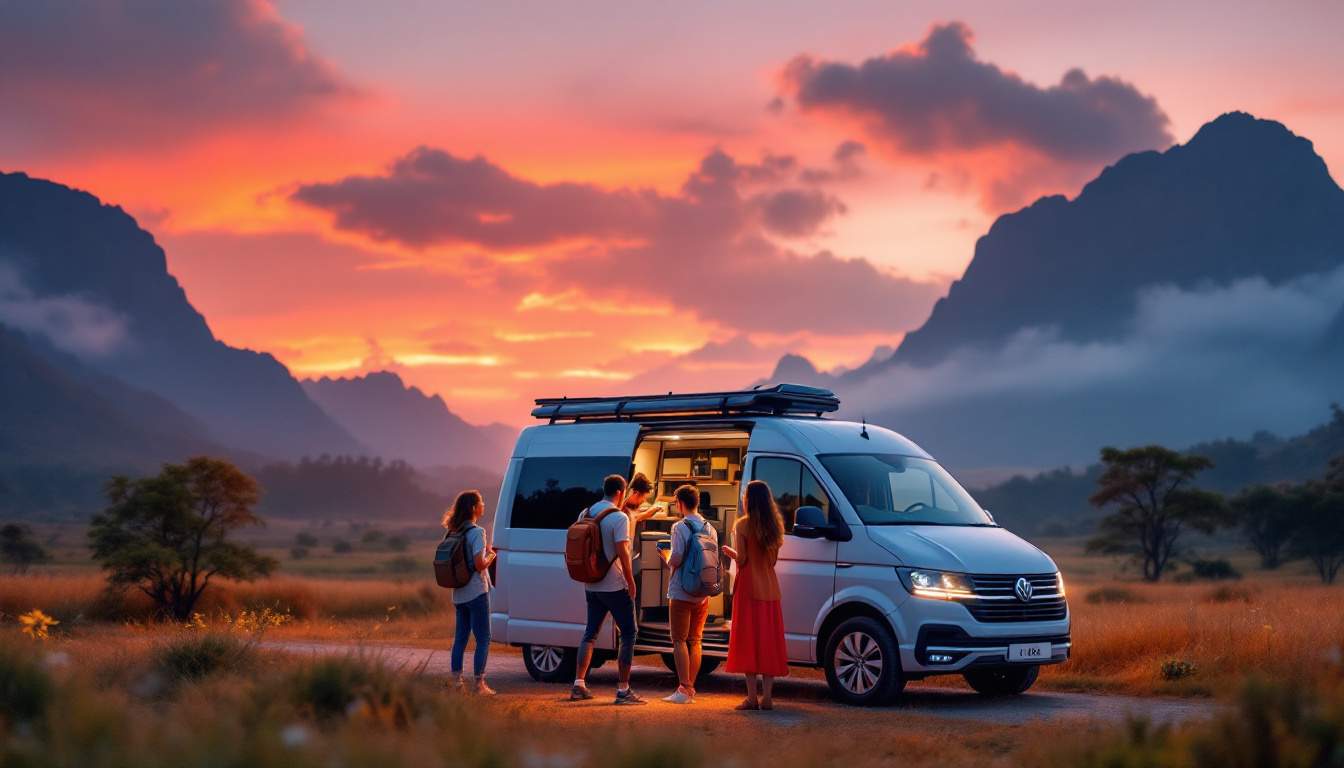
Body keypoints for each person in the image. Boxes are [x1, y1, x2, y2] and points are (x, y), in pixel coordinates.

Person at [571, 474, 647, 705]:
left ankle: (579, 685)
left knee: (590, 633)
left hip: (591, 583)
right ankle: (623, 690)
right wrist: (630, 581)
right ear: (620, 493)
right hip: (614, 584)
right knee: (629, 633)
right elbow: (623, 551)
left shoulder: (586, 513)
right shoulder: (618, 517)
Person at [722, 480, 789, 710]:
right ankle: (768, 697)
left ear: (748, 499)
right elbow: (773, 561)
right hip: (770, 588)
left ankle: (751, 698)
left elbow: (741, 560)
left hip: (749, 588)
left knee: (747, 641)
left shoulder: (742, 525)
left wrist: (729, 552)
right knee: (768, 642)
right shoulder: (775, 527)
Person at [662, 484, 716, 704]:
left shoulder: (679, 527)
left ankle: (683, 689)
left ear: (680, 503)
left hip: (682, 590)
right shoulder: (709, 527)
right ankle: (691, 688)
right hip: (702, 592)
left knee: (679, 640)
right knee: (696, 640)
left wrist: (664, 556)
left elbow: (676, 558)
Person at [444, 489, 497, 694]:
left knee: (460, 638)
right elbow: (479, 564)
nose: (483, 505)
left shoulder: (453, 531)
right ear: (474, 508)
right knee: (483, 638)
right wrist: (491, 556)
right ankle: (479, 684)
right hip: (476, 591)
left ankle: (457, 682)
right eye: (481, 502)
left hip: (459, 593)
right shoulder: (477, 532)